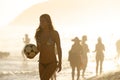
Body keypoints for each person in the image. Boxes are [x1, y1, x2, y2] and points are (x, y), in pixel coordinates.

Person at [35, 14, 62, 80]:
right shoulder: (38, 34)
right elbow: (39, 49)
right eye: (40, 21)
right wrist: (31, 54)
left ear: (48, 22)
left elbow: (59, 48)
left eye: (43, 21)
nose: (41, 23)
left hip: (52, 62)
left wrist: (60, 62)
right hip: (41, 62)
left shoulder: (54, 33)